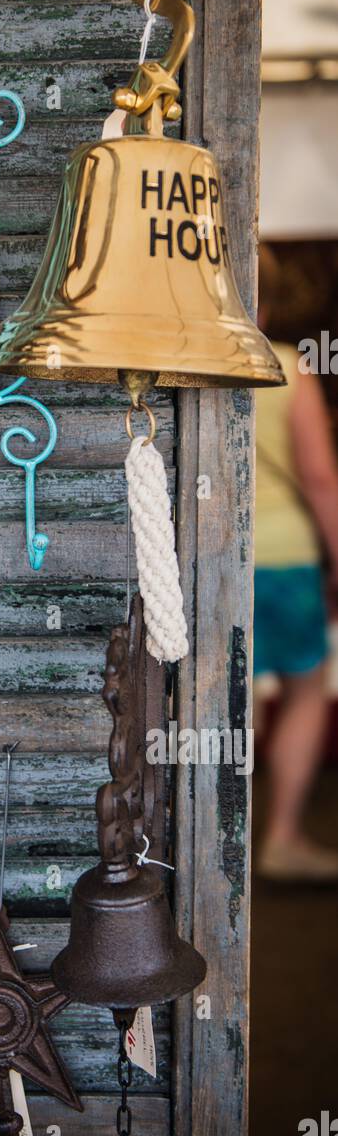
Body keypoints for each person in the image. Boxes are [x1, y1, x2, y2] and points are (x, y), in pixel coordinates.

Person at [254, 250, 338, 881]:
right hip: (286, 559)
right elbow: (319, 479)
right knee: (306, 690)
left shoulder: (187, 360)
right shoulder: (289, 366)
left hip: (219, 559)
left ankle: (213, 833)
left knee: (225, 700)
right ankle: (278, 836)